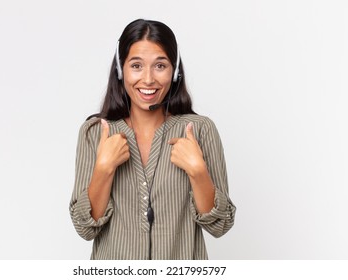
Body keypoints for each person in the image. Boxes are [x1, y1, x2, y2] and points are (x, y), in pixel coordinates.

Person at [69, 19, 236, 260]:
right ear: (120, 69)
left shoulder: (200, 130)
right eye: (136, 66)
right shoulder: (94, 133)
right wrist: (104, 168)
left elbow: (220, 226)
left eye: (160, 66)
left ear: (175, 71)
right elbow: (85, 228)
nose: (148, 80)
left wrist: (198, 172)